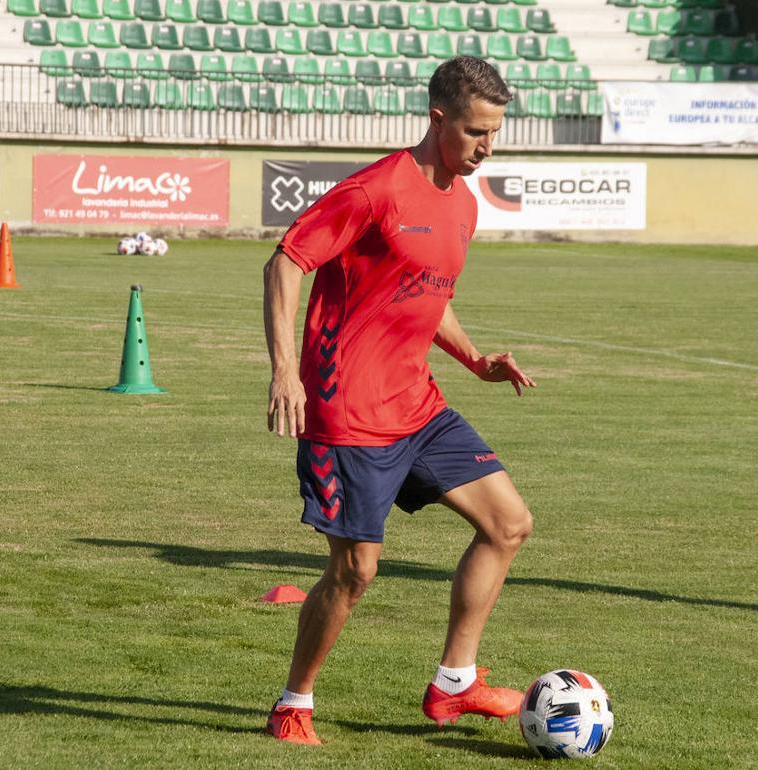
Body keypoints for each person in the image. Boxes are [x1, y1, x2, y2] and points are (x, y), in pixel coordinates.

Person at [261, 56, 537, 746]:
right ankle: (294, 702)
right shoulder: (374, 190)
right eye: (475, 132)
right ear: (438, 119)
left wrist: (473, 359)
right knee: (354, 572)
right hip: (347, 411)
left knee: (508, 524)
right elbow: (286, 261)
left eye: (495, 133)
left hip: (417, 405)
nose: (486, 146)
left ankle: (454, 685)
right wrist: (284, 371)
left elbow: (424, 292)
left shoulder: (464, 201)